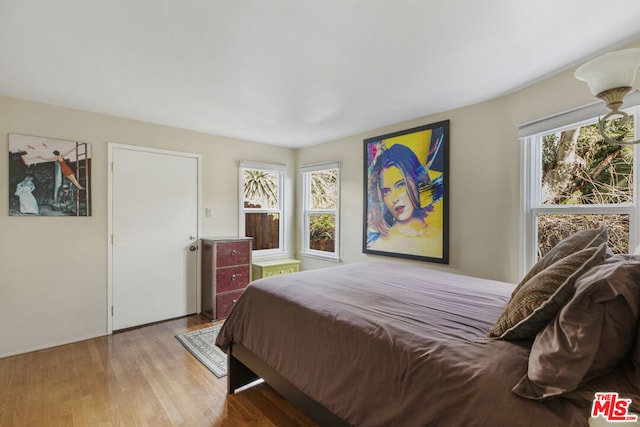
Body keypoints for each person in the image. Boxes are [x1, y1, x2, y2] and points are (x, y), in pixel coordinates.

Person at [366, 143, 443, 257]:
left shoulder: (438, 236)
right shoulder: (377, 243)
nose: (394, 198)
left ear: (416, 181)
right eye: (386, 191)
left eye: (401, 185)